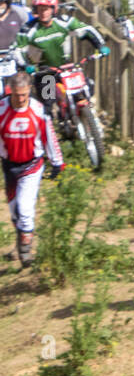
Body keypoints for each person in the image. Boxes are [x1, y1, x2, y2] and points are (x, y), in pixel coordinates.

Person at [0, 69, 63, 267]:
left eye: (24, 95)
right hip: (9, 166)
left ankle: (26, 257)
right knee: (15, 213)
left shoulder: (38, 110)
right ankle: (21, 242)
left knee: (25, 210)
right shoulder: (1, 109)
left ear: (29, 90)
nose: (20, 99)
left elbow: (49, 137)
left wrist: (57, 162)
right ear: (11, 91)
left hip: (32, 165)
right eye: (17, 95)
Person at [16, 0, 108, 112]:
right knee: (47, 106)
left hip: (66, 68)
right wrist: (26, 65)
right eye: (40, 9)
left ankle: (89, 114)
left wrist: (100, 46)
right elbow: (18, 50)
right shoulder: (28, 29)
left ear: (54, 9)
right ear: (35, 10)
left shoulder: (64, 22)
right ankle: (51, 125)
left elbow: (87, 30)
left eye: (46, 8)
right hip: (44, 72)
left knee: (85, 89)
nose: (43, 12)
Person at [0, 0, 29, 92]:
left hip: (14, 59)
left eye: (2, 2)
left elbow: (30, 29)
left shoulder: (18, 12)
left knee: (19, 89)